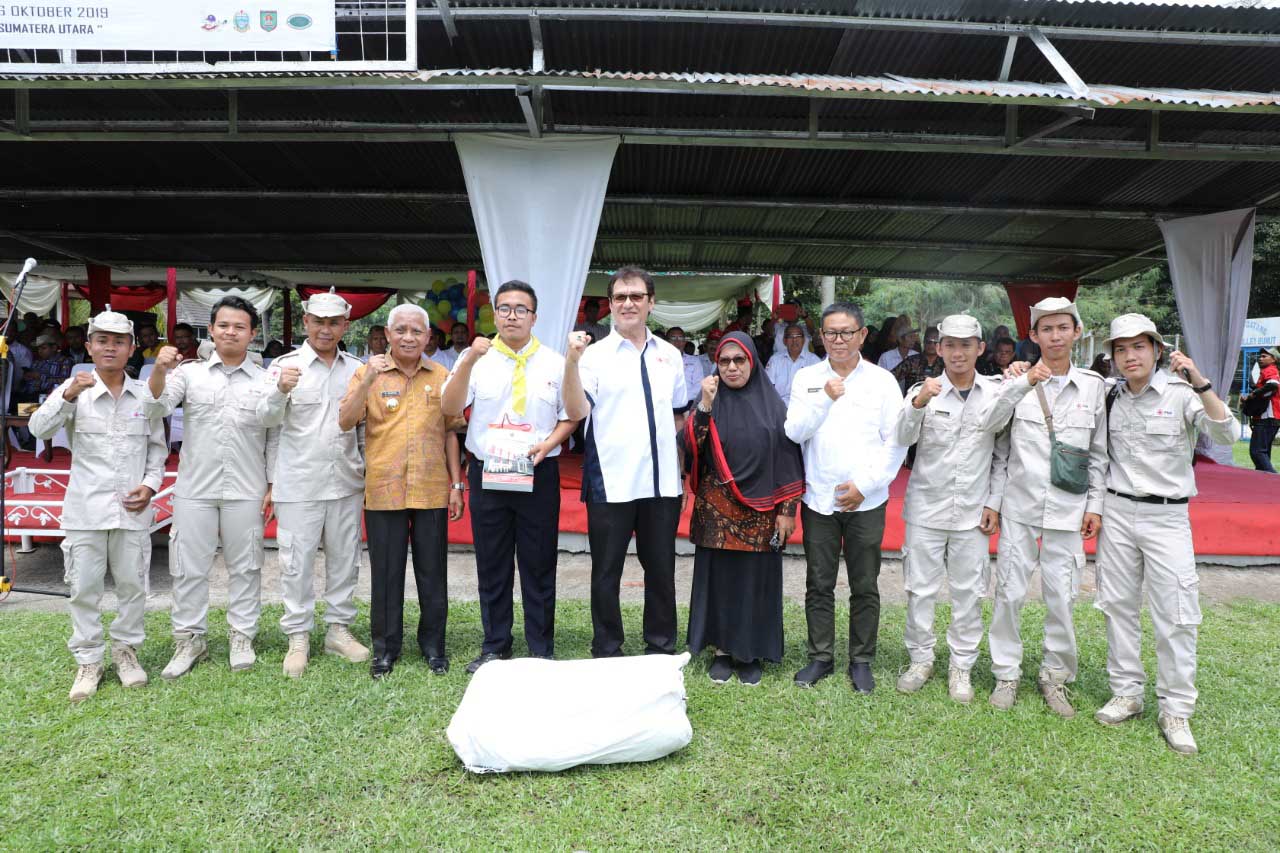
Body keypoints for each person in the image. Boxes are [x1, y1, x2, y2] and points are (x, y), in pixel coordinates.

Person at [1092, 313, 1238, 756]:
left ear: (1157, 350)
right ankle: (1127, 692)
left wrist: (1200, 381)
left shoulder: (1180, 394)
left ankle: (1176, 708)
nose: (1129, 356)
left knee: (1175, 612)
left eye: (1139, 347)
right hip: (1117, 511)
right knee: (1116, 605)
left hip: (1167, 517)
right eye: (1121, 348)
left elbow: (1226, 432)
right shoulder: (1111, 395)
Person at [29, 310, 167, 702]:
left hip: (132, 509)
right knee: (83, 587)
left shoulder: (145, 395)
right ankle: (89, 659)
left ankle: (126, 651)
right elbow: (39, 429)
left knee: (132, 586)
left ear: (131, 348)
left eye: (119, 341)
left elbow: (157, 449)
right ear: (89, 346)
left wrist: (149, 485)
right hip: (86, 509)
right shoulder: (73, 389)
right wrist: (69, 396)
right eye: (102, 340)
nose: (110, 347)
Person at [980, 296, 1107, 717]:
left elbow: (1100, 452)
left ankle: (1055, 677)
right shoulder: (1015, 379)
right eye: (1046, 329)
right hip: (1020, 505)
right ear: (1033, 336)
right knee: (1010, 593)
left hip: (1069, 510)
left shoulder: (1093, 385)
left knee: (1062, 596)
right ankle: (1006, 674)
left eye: (1063, 327)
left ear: (1076, 332)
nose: (1055, 336)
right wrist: (1021, 382)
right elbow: (992, 428)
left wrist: (1096, 504)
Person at [442, 281, 577, 674]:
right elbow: (450, 409)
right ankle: (495, 644)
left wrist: (547, 443)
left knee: (538, 563)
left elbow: (573, 413)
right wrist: (466, 361)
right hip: (489, 472)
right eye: (504, 309)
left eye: (521, 309)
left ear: (534, 317)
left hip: (538, 471)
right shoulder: (476, 359)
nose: (512, 315)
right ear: (494, 315)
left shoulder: (555, 362)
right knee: (493, 562)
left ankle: (540, 648)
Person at [146, 296, 280, 679]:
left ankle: (242, 637)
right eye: (223, 325)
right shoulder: (189, 374)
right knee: (188, 567)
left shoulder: (266, 380)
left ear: (253, 334)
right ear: (213, 330)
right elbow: (155, 407)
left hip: (247, 485)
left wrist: (272, 484)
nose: (231, 332)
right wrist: (159, 368)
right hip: (195, 486)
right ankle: (189, 640)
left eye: (240, 326)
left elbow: (273, 436)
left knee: (247, 566)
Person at [563, 266, 687, 658]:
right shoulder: (594, 357)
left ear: (651, 302)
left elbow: (679, 416)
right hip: (612, 482)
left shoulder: (670, 355)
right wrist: (570, 362)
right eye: (620, 297)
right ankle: (607, 647)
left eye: (636, 296)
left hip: (662, 484)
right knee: (606, 572)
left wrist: (680, 473)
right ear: (611, 305)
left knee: (662, 571)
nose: (628, 303)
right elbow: (577, 409)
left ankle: (661, 647)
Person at [784, 302, 906, 693]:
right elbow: (794, 432)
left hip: (866, 500)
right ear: (821, 336)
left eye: (846, 333)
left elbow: (896, 442)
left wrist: (865, 486)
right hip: (819, 497)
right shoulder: (806, 378)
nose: (838, 340)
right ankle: (820, 656)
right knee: (819, 582)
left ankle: (862, 659)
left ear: (863, 335)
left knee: (864, 583)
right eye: (831, 333)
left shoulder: (882, 381)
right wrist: (825, 397)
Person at [338, 303, 465, 678]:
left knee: (433, 571)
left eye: (417, 332)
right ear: (388, 335)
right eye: (401, 331)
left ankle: (433, 646)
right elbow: (345, 421)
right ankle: (385, 649)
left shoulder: (442, 374)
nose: (409, 337)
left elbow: (451, 433)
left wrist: (456, 484)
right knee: (387, 573)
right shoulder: (367, 372)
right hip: (383, 489)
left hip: (431, 489)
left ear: (429, 337)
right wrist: (365, 383)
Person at [893, 315, 1008, 703]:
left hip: (972, 513)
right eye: (950, 345)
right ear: (938, 349)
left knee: (968, 592)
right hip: (926, 508)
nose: (958, 352)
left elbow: (1002, 456)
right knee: (920, 590)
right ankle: (920, 660)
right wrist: (919, 402)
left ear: (980, 349)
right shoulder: (923, 390)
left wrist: (995, 501)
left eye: (966, 345)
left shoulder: (995, 393)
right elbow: (901, 437)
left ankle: (961, 666)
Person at [257, 289, 370, 678]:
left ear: (345, 325)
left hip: (345, 480)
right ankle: (298, 635)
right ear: (305, 322)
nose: (325, 329)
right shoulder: (284, 366)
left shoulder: (357, 368)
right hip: (298, 481)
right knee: (295, 562)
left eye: (333, 322)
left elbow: (364, 427)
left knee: (345, 560)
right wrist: (280, 391)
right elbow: (266, 421)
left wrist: (367, 471)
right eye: (318, 321)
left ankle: (338, 629)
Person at [682, 332, 803, 685]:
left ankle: (749, 652)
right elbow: (691, 447)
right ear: (715, 366)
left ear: (752, 362)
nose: (732, 367)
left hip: (762, 514)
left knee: (754, 582)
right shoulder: (710, 401)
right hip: (716, 512)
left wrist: (787, 509)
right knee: (720, 581)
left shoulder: (774, 406)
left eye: (739, 360)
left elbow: (789, 460)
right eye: (724, 361)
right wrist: (704, 404)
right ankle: (721, 651)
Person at [765, 322, 820, 405]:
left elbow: (819, 388)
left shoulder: (814, 361)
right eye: (790, 337)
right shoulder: (775, 360)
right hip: (780, 407)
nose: (794, 340)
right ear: (784, 341)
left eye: (798, 336)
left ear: (803, 340)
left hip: (806, 407)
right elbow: (768, 386)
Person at [1243, 346, 1279, 472]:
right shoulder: (1268, 370)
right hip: (1269, 419)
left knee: (1257, 452)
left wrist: (1253, 395)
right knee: (1263, 453)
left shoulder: (1270, 370)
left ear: (1274, 359)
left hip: (1267, 418)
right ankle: (1264, 484)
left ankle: (1275, 481)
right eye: (1260, 356)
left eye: (1265, 356)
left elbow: (1273, 384)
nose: (1260, 358)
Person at [662, 327, 707, 411]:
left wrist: (680, 399)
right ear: (666, 341)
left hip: (688, 404)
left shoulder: (694, 361)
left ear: (685, 342)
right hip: (665, 405)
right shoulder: (659, 360)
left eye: (681, 338)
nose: (677, 342)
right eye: (673, 338)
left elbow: (698, 386)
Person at [891, 325, 944, 394]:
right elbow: (891, 378)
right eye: (929, 342)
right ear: (924, 342)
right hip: (912, 401)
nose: (931, 345)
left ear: (939, 344)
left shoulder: (945, 363)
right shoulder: (912, 361)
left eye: (935, 342)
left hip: (938, 402)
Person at [24, 333, 73, 397]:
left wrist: (40, 376)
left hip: (53, 397)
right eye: (38, 348)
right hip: (32, 396)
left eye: (43, 348)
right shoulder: (37, 363)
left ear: (54, 348)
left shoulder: (65, 361)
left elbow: (65, 381)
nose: (40, 351)